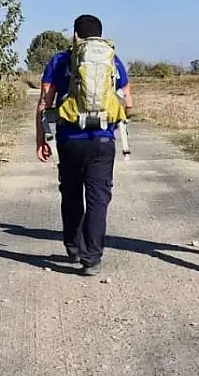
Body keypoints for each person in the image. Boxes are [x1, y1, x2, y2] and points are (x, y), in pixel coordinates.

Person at [35, 14, 133, 276]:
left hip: (69, 140)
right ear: (99, 36)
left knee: (71, 193)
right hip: (102, 139)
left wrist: (41, 138)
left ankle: (73, 245)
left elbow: (45, 103)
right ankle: (92, 257)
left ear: (76, 35)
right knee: (98, 198)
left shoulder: (60, 60)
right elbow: (128, 103)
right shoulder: (114, 60)